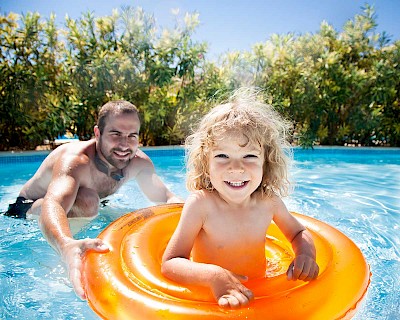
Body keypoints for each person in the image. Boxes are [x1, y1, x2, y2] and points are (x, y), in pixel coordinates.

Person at [4, 100, 182, 300]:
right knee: (88, 201)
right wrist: (66, 245)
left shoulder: (138, 163)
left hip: (89, 203)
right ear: (98, 133)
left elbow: (165, 196)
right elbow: (54, 205)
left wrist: (187, 214)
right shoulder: (76, 161)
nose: (124, 145)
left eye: (132, 136)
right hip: (28, 207)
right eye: (116, 134)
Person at [161, 89, 319, 309]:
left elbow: (298, 232)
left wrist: (305, 255)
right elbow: (171, 263)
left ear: (267, 162)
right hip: (210, 298)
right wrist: (214, 276)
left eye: (250, 156)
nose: (236, 168)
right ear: (206, 164)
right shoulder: (201, 204)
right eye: (222, 156)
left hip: (260, 291)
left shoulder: (268, 201)